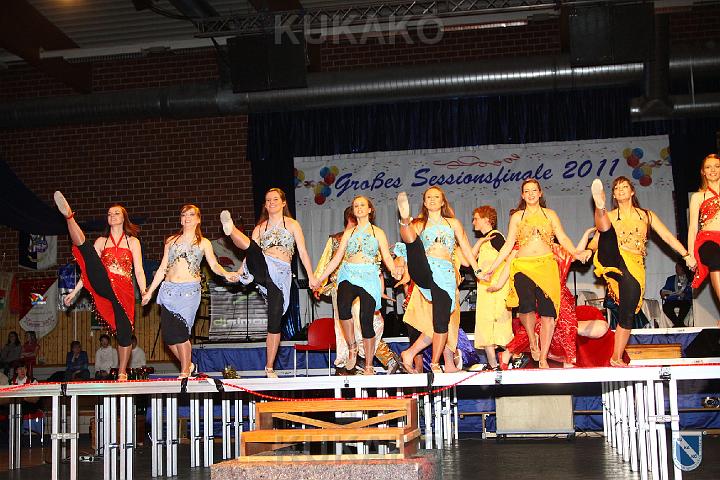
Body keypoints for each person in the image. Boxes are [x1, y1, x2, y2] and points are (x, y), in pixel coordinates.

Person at [588, 177, 696, 366]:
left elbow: (667, 237)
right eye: (616, 188)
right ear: (613, 195)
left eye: (624, 187)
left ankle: (616, 357)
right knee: (606, 232)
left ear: (632, 191)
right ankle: (600, 207)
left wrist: (686, 255)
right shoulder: (612, 215)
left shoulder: (646, 215)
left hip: (634, 265)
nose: (620, 190)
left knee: (628, 312)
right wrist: (587, 251)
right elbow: (596, 241)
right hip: (613, 256)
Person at [483, 179, 587, 369]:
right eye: (526, 191)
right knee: (526, 305)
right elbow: (509, 245)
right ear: (522, 195)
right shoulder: (517, 217)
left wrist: (576, 252)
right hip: (523, 266)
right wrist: (493, 267)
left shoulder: (550, 214)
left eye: (534, 190)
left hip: (547, 266)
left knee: (548, 313)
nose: (530, 194)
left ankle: (543, 357)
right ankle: (532, 339)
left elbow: (562, 237)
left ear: (540, 193)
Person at [220, 188, 318, 378]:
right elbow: (250, 255)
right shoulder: (260, 228)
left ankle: (269, 367)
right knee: (252, 248)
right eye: (268, 200)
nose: (271, 202)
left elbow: (303, 252)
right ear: (265, 205)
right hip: (263, 266)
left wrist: (311, 276)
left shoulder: (292, 224)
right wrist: (239, 273)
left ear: (283, 203)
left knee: (275, 320)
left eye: (275, 199)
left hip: (280, 275)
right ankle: (231, 229)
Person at [55, 193, 146, 381]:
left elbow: (138, 270)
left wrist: (144, 291)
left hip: (123, 290)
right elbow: (88, 271)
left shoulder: (132, 242)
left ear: (124, 218)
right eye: (109, 214)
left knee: (125, 333)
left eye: (116, 213)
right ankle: (69, 216)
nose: (112, 216)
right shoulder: (101, 241)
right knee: (87, 252)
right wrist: (75, 291)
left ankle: (122, 372)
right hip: (103, 281)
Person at [395, 187, 483, 374]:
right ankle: (404, 219)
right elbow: (407, 248)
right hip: (425, 269)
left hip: (445, 276)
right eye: (428, 197)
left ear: (443, 202)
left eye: (436, 197)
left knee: (441, 323)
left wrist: (477, 270)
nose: (432, 199)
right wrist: (400, 264)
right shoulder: (420, 224)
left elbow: (466, 248)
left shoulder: (453, 223)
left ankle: (428, 360)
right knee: (414, 243)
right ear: (424, 203)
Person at [143, 205, 237, 379]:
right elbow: (163, 268)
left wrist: (226, 273)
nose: (187, 217)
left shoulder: (203, 243)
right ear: (181, 219)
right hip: (169, 291)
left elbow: (214, 264)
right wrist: (150, 292)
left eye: (191, 215)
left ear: (198, 219)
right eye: (184, 215)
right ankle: (189, 365)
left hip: (189, 293)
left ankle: (185, 372)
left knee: (181, 334)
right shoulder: (171, 241)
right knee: (169, 338)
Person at [316, 196, 400, 375]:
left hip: (369, 277)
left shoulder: (378, 233)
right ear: (353, 211)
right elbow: (337, 259)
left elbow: (386, 256)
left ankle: (369, 365)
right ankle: (352, 347)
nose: (359, 208)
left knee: (366, 320)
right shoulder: (349, 233)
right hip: (348, 273)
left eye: (363, 205)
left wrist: (394, 270)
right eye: (356, 206)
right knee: (343, 306)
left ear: (370, 209)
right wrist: (320, 279)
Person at [470, 205, 511, 370]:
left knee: (500, 325)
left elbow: (510, 259)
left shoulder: (496, 237)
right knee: (485, 325)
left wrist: (499, 281)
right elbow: (469, 260)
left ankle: (511, 356)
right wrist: (479, 242)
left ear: (486, 220)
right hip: (485, 290)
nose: (473, 222)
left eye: (476, 219)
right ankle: (493, 364)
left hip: (497, 290)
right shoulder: (485, 240)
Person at [688, 153, 720, 327]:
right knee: (715, 258)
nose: (712, 170)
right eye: (708, 167)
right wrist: (689, 255)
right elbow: (693, 227)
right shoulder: (698, 197)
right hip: (707, 239)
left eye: (717, 166)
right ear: (703, 171)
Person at [660, 262, 693, 327]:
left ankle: (677, 324)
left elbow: (692, 293)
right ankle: (679, 324)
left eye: (678, 268)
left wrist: (685, 295)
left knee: (686, 305)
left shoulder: (689, 279)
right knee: (666, 307)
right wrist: (662, 293)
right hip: (673, 299)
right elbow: (664, 289)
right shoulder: (671, 279)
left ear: (683, 268)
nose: (676, 269)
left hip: (684, 300)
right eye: (676, 268)